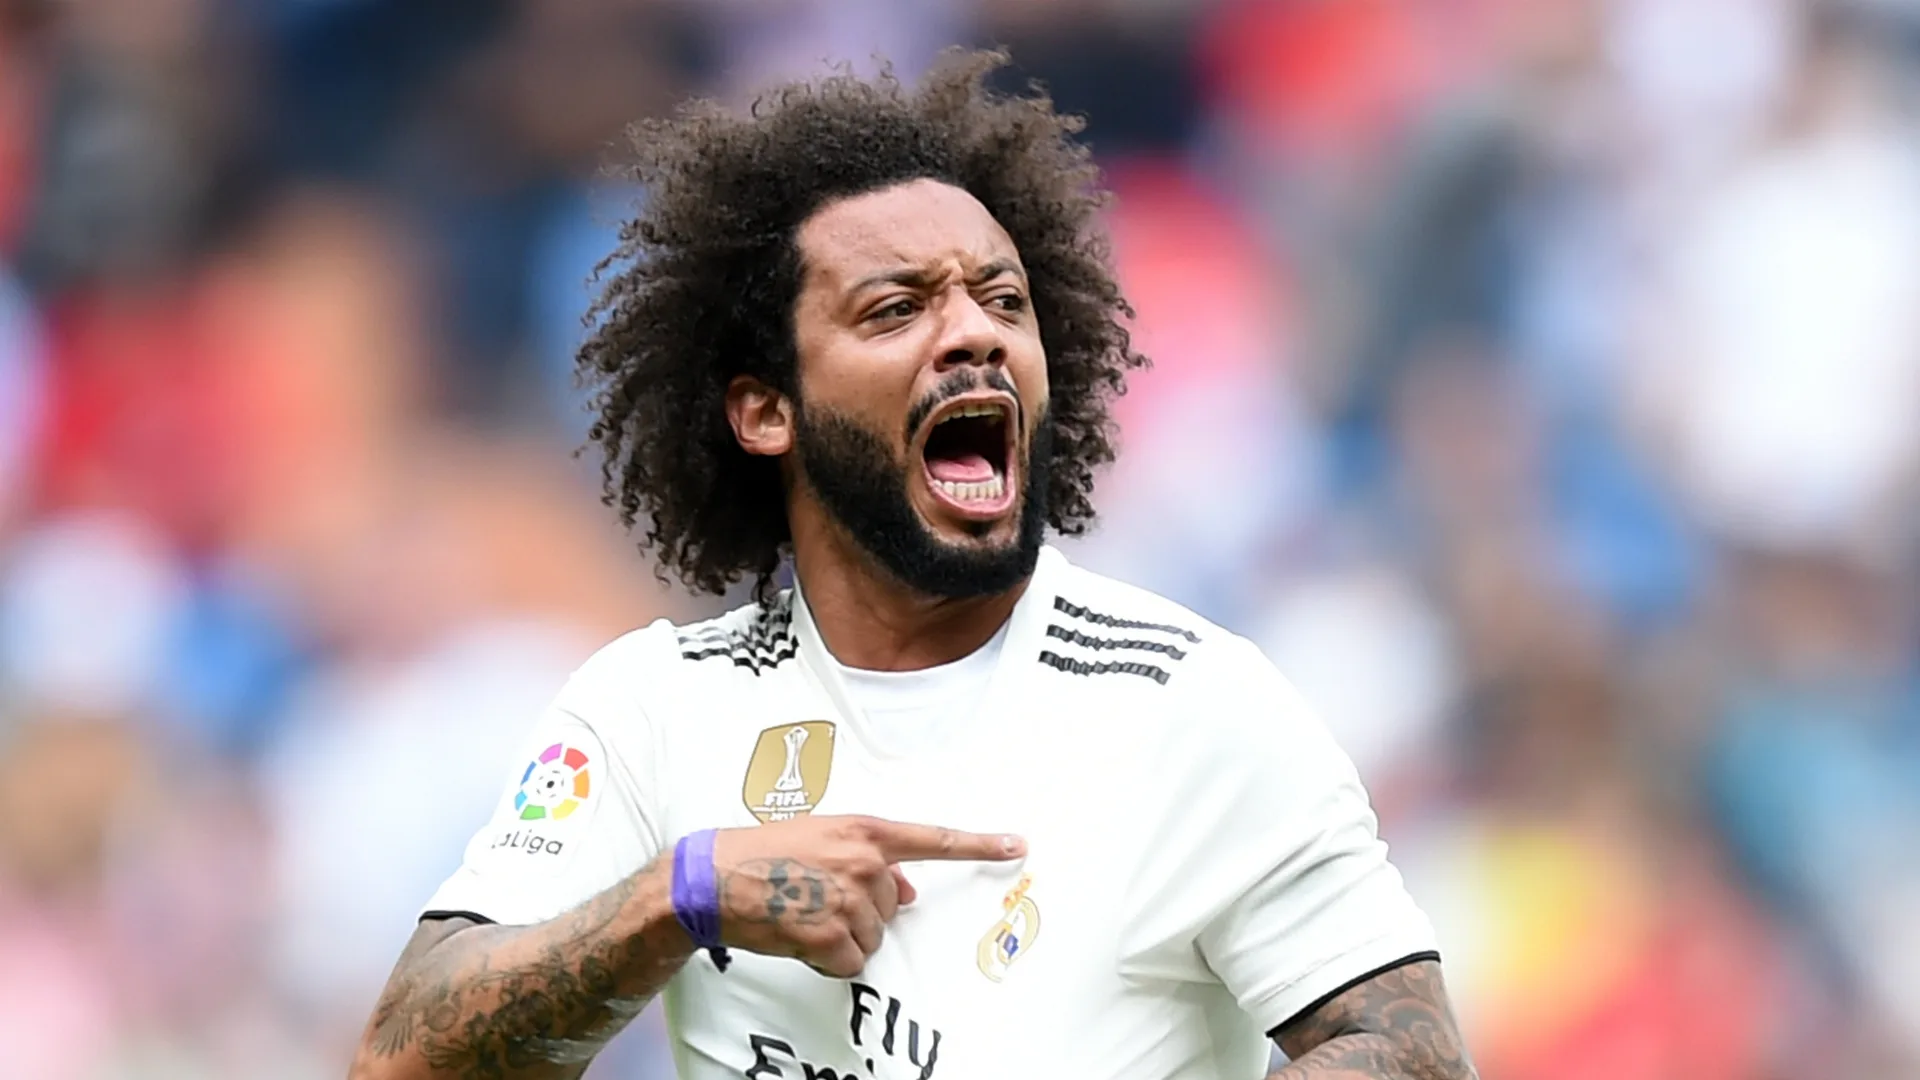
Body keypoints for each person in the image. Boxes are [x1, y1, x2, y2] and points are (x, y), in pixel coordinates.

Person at [349, 50, 1475, 1080]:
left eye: (1002, 300)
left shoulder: (1191, 708)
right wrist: (682, 896)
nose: (974, 332)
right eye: (895, 308)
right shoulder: (650, 711)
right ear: (764, 411)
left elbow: (1403, 1048)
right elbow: (404, 1060)